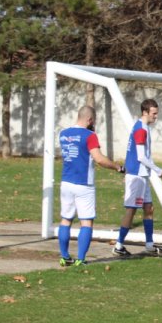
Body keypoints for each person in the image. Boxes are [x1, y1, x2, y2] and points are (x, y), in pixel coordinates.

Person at [58, 106, 122, 266]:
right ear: (90, 120)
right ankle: (80, 259)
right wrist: (117, 167)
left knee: (66, 220)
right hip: (83, 184)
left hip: (66, 182)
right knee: (86, 222)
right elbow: (99, 159)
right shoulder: (89, 135)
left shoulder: (63, 134)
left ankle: (64, 257)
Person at [113, 99, 162, 257]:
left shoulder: (142, 127)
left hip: (142, 175)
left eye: (157, 113)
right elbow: (141, 156)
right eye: (154, 113)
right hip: (136, 176)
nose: (156, 116)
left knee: (149, 208)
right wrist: (157, 169)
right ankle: (118, 245)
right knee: (131, 210)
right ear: (145, 112)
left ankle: (149, 245)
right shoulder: (141, 129)